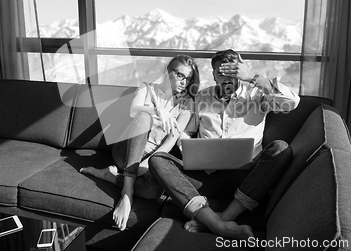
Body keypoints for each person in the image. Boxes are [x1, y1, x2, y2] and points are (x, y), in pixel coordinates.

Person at [148, 49, 300, 240]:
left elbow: (291, 102)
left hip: (246, 179)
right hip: (205, 178)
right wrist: (191, 151)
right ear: (213, 75)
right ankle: (216, 223)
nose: (227, 78)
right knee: (158, 160)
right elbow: (186, 131)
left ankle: (222, 219)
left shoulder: (257, 95)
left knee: (281, 149)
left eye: (232, 73)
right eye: (221, 73)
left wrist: (253, 77)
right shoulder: (201, 97)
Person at [80, 55, 200, 231]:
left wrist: (150, 161)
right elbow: (133, 111)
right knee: (144, 117)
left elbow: (173, 137)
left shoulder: (187, 103)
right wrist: (156, 110)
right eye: (180, 75)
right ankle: (127, 193)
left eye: (188, 78)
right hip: (125, 151)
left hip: (152, 156)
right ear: (168, 72)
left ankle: (111, 177)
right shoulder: (147, 88)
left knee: (153, 191)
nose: (185, 82)